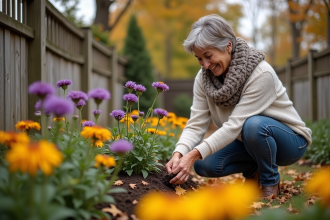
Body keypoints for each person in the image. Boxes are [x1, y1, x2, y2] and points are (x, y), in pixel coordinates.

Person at [165, 14, 312, 197]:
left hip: (289, 142)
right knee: (204, 164)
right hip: (249, 140)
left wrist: (194, 153)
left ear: (228, 46)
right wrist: (179, 153)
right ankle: (253, 171)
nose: (205, 64)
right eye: (199, 58)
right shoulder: (203, 79)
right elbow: (196, 123)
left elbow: (235, 125)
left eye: (208, 56)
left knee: (253, 125)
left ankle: (270, 182)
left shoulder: (260, 74)